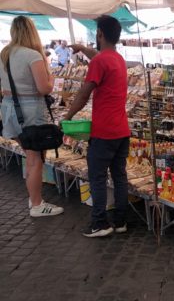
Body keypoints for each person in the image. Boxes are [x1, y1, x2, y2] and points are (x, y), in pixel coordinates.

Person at [64, 15, 130, 238]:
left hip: (104, 132)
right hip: (122, 130)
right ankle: (120, 221)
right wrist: (83, 48)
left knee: (98, 177)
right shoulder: (118, 59)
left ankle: (100, 223)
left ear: (100, 34)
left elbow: (83, 95)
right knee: (120, 176)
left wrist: (68, 116)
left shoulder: (101, 62)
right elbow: (99, 58)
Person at [0, 16, 64, 217]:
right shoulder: (32, 55)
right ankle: (37, 204)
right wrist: (51, 77)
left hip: (9, 108)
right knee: (34, 158)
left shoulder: (4, 54)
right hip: (29, 111)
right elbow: (44, 88)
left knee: (29, 155)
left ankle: (33, 198)